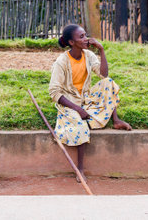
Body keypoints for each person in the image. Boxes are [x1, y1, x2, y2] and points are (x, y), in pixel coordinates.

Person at [49, 24, 132, 182]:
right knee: (81, 125)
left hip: (85, 98)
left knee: (109, 83)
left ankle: (116, 120)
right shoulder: (61, 62)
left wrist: (101, 50)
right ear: (71, 42)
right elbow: (55, 93)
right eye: (81, 37)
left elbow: (103, 75)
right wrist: (77, 109)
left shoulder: (88, 55)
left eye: (85, 35)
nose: (86, 39)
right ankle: (80, 169)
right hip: (69, 102)